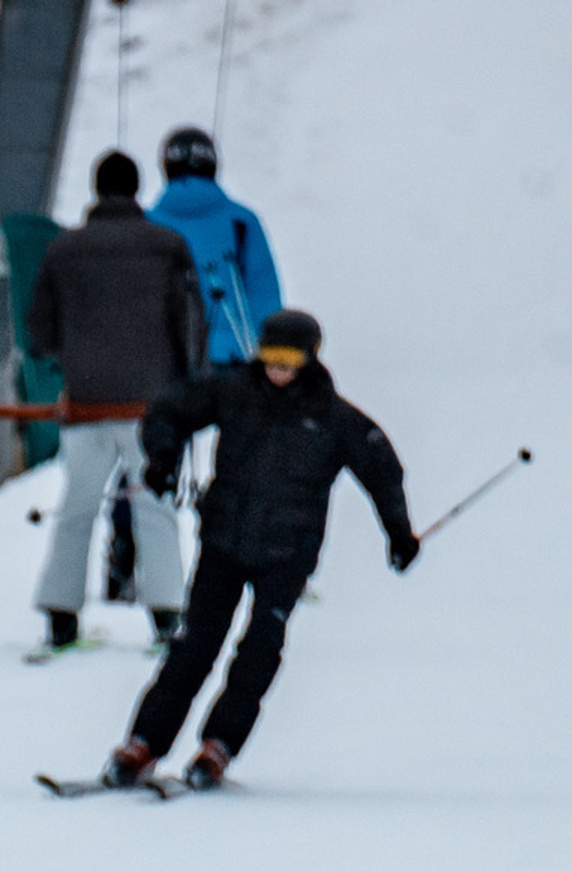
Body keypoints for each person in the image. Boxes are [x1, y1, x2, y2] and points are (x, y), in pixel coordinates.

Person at [102, 310, 417, 790]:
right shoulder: (234, 393)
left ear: (310, 358)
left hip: (288, 553)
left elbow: (381, 468)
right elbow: (169, 410)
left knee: (259, 650)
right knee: (194, 646)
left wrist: (398, 532)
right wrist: (162, 459)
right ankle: (144, 742)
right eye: (269, 357)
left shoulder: (331, 417)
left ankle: (218, 746)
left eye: (289, 359)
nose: (277, 369)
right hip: (225, 540)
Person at [24, 150, 204, 655]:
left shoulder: (64, 250)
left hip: (85, 405)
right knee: (156, 507)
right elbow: (190, 323)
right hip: (152, 407)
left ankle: (61, 616)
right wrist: (193, 388)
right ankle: (167, 617)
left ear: (96, 188)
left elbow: (38, 331)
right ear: (137, 187)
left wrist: (72, 358)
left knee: (76, 508)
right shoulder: (168, 246)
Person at [149, 124, 284, 368]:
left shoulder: (146, 223)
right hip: (230, 359)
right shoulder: (241, 222)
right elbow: (265, 297)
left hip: (162, 359)